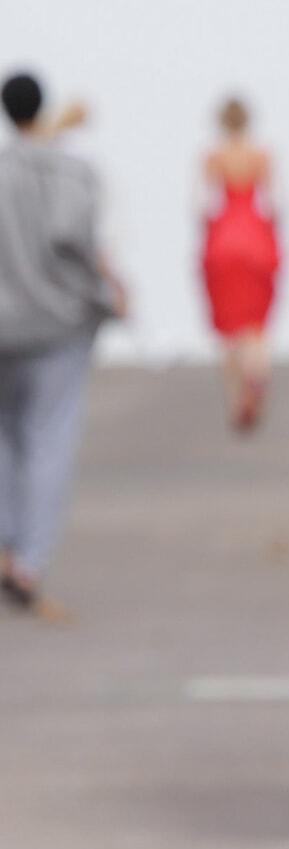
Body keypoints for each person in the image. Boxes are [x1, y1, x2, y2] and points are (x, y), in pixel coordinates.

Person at [0, 71, 124, 617]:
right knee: (47, 440)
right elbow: (76, 242)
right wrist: (108, 295)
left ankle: (7, 548)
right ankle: (28, 562)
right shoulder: (71, 171)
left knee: (6, 440)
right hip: (57, 328)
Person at [200, 97, 280, 431]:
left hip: (223, 240)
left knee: (228, 329)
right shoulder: (261, 156)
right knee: (255, 326)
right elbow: (273, 204)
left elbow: (204, 205)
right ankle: (257, 374)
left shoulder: (213, 157)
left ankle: (236, 401)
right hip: (256, 239)